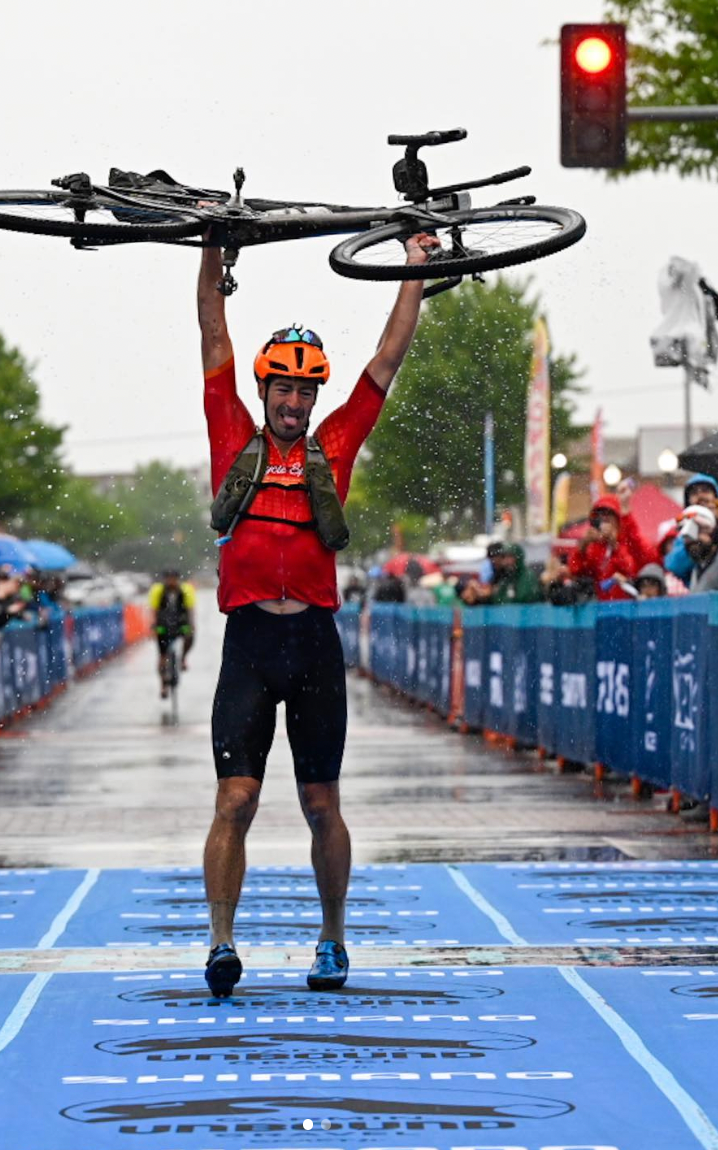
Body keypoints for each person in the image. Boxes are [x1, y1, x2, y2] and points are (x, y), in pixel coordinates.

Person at [197, 230, 439, 997]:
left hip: (313, 641)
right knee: (235, 798)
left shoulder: (337, 440)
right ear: (265, 390)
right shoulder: (233, 433)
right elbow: (211, 326)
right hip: (249, 641)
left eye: (306, 391)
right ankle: (220, 943)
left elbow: (389, 358)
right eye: (283, 389)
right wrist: (211, 249)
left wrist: (415, 267)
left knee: (320, 803)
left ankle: (332, 940)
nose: (295, 402)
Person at [567, 495, 649, 600]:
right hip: (600, 608)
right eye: (600, 516)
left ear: (617, 519)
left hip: (626, 607)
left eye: (608, 515)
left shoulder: (627, 540)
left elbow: (631, 569)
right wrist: (583, 546)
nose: (604, 518)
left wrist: (615, 545)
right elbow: (576, 571)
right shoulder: (594, 546)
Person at [148, 569, 197, 697]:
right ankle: (163, 685)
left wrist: (192, 625)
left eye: (173, 579)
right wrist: (153, 627)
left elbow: (190, 609)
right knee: (162, 657)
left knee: (190, 636)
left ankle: (183, 658)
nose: (171, 582)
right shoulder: (158, 591)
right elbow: (153, 610)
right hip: (163, 625)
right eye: (168, 579)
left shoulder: (185, 590)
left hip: (180, 624)